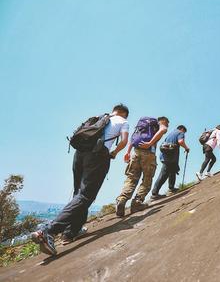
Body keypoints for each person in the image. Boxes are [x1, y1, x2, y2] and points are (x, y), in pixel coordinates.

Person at [31, 104, 130, 255]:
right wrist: (114, 153)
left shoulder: (98, 117)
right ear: (124, 113)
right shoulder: (123, 121)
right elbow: (123, 141)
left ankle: (71, 232)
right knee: (85, 195)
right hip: (98, 154)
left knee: (79, 193)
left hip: (79, 154)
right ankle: (48, 231)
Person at [115, 116, 169, 217]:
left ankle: (121, 200)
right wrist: (150, 143)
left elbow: (133, 137)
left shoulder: (142, 127)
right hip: (148, 154)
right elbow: (163, 129)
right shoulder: (160, 124)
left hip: (135, 152)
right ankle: (137, 203)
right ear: (164, 121)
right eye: (167, 123)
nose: (167, 125)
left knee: (131, 178)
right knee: (147, 179)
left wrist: (127, 152)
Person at [151, 125, 190, 199]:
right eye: (184, 131)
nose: (184, 133)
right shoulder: (180, 132)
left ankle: (171, 188)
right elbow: (180, 141)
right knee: (164, 174)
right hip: (170, 157)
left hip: (165, 156)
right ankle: (154, 193)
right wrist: (186, 148)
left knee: (173, 171)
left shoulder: (171, 133)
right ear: (182, 129)